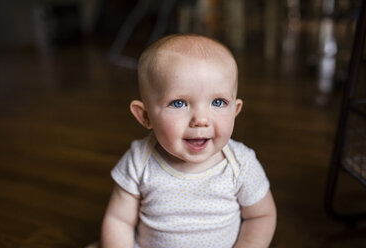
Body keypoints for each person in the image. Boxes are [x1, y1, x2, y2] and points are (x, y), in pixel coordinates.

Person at [93, 34, 277, 248]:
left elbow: (261, 216)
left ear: (235, 110)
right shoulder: (139, 160)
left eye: (218, 102)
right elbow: (119, 220)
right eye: (179, 103)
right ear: (145, 116)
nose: (201, 120)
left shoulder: (241, 164)